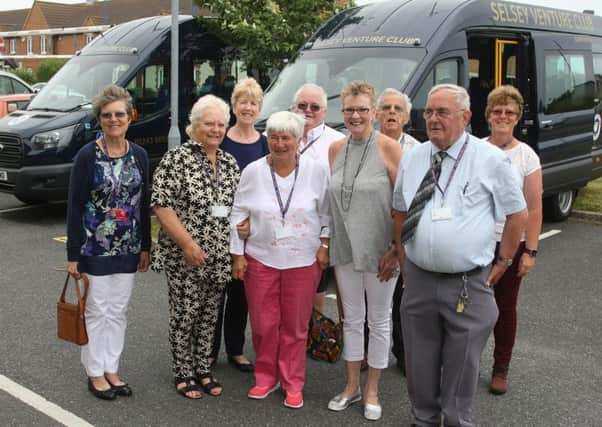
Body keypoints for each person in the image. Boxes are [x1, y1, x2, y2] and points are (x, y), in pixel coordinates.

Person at [392, 83, 527, 427]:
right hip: (419, 279)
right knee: (419, 360)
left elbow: (517, 214)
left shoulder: (491, 160)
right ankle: (423, 419)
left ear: (465, 117)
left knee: (462, 362)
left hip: (467, 282)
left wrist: (505, 261)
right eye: (429, 112)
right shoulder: (413, 156)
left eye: (442, 112)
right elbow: (399, 211)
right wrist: (403, 260)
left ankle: (455, 422)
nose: (433, 119)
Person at [230, 111, 330, 410]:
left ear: (299, 140)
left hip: (303, 259)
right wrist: (237, 253)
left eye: (286, 137)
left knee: (295, 327)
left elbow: (327, 213)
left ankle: (292, 381)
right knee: (263, 324)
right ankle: (265, 376)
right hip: (261, 258)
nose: (280, 143)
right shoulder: (253, 171)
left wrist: (325, 244)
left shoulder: (316, 170)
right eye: (274, 137)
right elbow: (238, 212)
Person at [151, 95, 239, 399]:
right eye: (208, 123)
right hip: (184, 256)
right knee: (185, 315)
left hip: (218, 257)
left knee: (209, 315)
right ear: (194, 125)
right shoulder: (176, 159)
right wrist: (187, 243)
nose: (215, 129)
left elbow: (238, 208)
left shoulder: (229, 163)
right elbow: (161, 205)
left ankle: (203, 369)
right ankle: (183, 372)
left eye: (220, 124)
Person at [66, 84, 150, 400]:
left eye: (119, 114)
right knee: (97, 310)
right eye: (106, 115)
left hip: (128, 248)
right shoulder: (87, 156)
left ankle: (112, 369)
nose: (113, 120)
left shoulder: (139, 155)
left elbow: (143, 204)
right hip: (93, 248)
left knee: (118, 310)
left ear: (130, 117)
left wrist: (145, 247)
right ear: (99, 120)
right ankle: (94, 372)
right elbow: (74, 206)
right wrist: (73, 254)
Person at [326, 81, 401, 421]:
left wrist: (397, 250)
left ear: (374, 112)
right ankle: (351, 385)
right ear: (342, 113)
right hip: (345, 250)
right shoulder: (335, 149)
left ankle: (372, 389)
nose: (355, 115)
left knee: (379, 320)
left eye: (361, 109)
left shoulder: (389, 148)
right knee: (352, 320)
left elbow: (405, 205)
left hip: (380, 253)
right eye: (349, 110)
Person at [484, 85, 543, 395]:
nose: (502, 116)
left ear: (517, 117)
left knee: (504, 308)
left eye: (509, 112)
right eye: (497, 111)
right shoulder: (476, 149)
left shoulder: (526, 156)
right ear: (488, 116)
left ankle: (500, 368)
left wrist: (529, 251)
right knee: (468, 306)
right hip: (477, 242)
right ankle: (463, 361)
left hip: (510, 243)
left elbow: (534, 209)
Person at [210, 77, 268, 373]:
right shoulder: (222, 138)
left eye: (253, 103)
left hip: (251, 231)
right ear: (234, 106)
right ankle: (208, 352)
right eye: (243, 102)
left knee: (241, 294)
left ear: (260, 108)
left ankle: (235, 349)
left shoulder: (266, 143)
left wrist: (251, 222)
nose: (248, 108)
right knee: (215, 292)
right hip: (219, 227)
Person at [375, 87, 421, 375]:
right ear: (377, 114)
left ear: (405, 117)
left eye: (398, 109)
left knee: (404, 301)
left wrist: (397, 245)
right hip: (370, 233)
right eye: (386, 108)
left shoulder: (417, 151)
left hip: (405, 237)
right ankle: (370, 353)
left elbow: (418, 200)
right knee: (372, 299)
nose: (392, 112)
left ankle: (404, 353)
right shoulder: (365, 145)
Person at [291, 83, 344, 313]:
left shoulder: (339, 142)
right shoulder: (275, 135)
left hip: (318, 227)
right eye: (302, 105)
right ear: (293, 108)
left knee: (317, 288)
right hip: (281, 226)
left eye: (315, 106)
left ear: (324, 111)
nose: (308, 111)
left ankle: (315, 338)